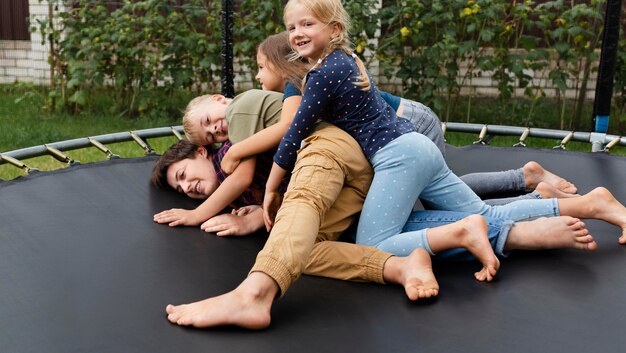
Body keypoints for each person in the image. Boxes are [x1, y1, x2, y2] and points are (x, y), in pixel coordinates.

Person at [259, 0, 626, 259]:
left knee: (372, 244)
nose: (297, 33)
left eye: (307, 23)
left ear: (334, 29)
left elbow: (294, 135)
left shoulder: (322, 74)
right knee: (486, 212)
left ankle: (464, 233)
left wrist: (272, 190)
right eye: (291, 27)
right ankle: (591, 203)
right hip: (418, 147)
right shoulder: (347, 57)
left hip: (398, 158)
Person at [160, 123, 601, 329]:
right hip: (369, 179)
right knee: (302, 249)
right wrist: (252, 214)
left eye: (184, 176)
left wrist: (210, 213)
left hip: (341, 145)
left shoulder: (232, 147)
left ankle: (254, 292)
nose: (190, 189)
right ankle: (409, 263)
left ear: (201, 150)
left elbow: (286, 139)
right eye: (182, 192)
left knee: (306, 198)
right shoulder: (232, 190)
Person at [215, 31, 576, 205]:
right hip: (405, 122)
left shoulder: (299, 84)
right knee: (437, 191)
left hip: (408, 123)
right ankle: (526, 181)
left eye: (262, 67)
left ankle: (528, 186)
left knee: (435, 199)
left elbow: (286, 132)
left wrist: (235, 151)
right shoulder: (308, 78)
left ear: (285, 63)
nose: (259, 77)